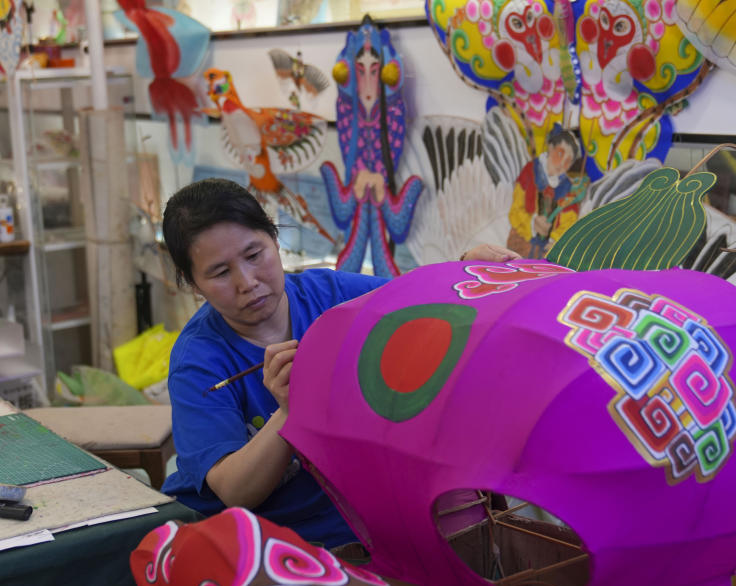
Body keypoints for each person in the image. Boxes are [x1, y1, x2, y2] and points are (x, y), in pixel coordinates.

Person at [160, 178, 519, 546]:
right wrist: (288, 411)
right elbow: (236, 491)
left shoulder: (329, 296)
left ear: (274, 239)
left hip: (345, 521)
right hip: (251, 542)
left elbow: (420, 302)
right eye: (220, 272)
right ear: (192, 283)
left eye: (255, 255)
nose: (247, 281)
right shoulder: (198, 361)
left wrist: (464, 271)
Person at [507, 127, 586, 259]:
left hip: (548, 253)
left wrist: (555, 241)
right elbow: (515, 211)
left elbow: (569, 223)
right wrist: (533, 223)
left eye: (568, 161)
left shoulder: (569, 189)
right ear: (550, 148)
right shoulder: (530, 172)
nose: (562, 164)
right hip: (520, 242)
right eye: (560, 154)